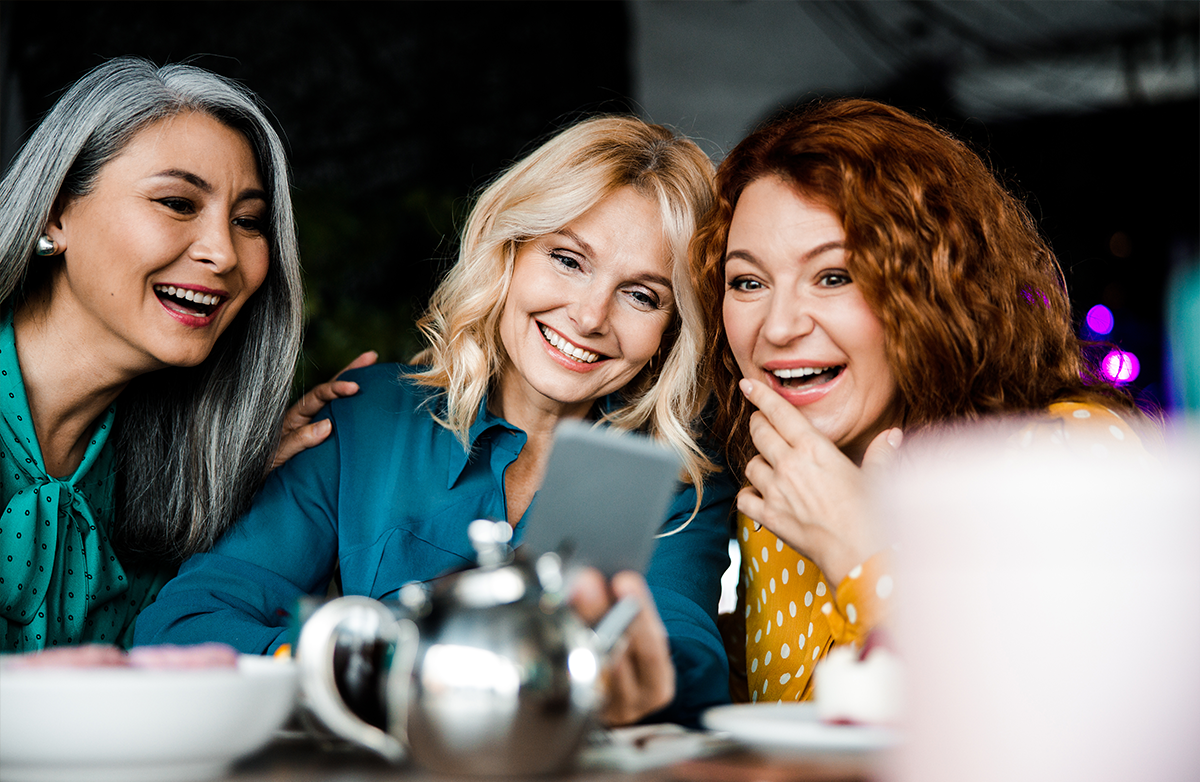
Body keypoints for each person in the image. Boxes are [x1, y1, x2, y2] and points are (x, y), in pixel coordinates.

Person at [136, 116, 736, 727]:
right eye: (567, 260)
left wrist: (640, 681)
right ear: (509, 251)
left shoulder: (674, 479)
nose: (588, 316)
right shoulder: (363, 417)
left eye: (642, 295)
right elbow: (184, 626)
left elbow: (686, 660)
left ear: (671, 332)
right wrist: (349, 665)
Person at [693, 98, 1151, 703]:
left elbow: (1059, 737)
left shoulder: (1067, 457)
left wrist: (860, 550)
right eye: (748, 283)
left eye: (835, 276)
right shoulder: (781, 489)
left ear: (933, 289)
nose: (777, 327)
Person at [0, 57, 367, 653]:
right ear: (55, 212)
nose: (223, 252)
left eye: (249, 221)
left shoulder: (173, 475)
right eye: (177, 203)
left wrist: (251, 483)